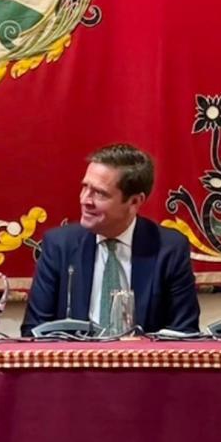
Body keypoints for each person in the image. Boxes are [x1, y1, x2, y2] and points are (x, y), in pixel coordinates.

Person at [22, 143, 200, 335]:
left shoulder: (169, 249)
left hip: (142, 362)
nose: (85, 200)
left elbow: (184, 332)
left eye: (99, 193)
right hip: (75, 362)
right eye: (85, 187)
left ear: (134, 201)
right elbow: (34, 331)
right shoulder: (59, 245)